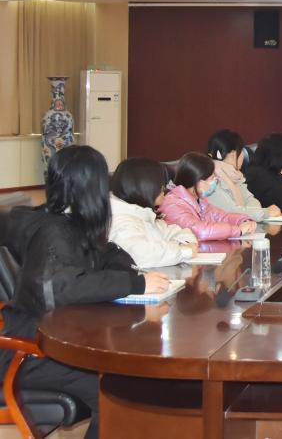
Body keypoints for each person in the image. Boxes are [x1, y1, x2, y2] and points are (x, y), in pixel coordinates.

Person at [1, 146, 169, 439]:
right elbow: (62, 287)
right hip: (29, 350)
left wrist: (128, 273)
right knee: (119, 391)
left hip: (55, 338)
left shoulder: (70, 223)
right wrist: (135, 284)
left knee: (128, 382)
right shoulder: (53, 231)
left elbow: (106, 254)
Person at [108, 158, 198, 268]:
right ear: (145, 185)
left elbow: (180, 233)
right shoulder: (121, 221)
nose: (164, 188)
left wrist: (183, 246)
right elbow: (141, 255)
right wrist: (182, 251)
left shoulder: (144, 214)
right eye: (160, 184)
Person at [160, 152, 258, 240]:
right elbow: (200, 231)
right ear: (198, 181)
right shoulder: (172, 204)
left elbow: (222, 217)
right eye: (212, 178)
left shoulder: (199, 201)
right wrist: (237, 230)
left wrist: (244, 220)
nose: (215, 181)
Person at [206, 130, 281, 221]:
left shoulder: (237, 177)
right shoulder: (210, 181)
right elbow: (232, 213)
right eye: (241, 151)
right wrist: (265, 213)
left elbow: (253, 202)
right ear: (233, 154)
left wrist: (251, 212)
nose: (243, 156)